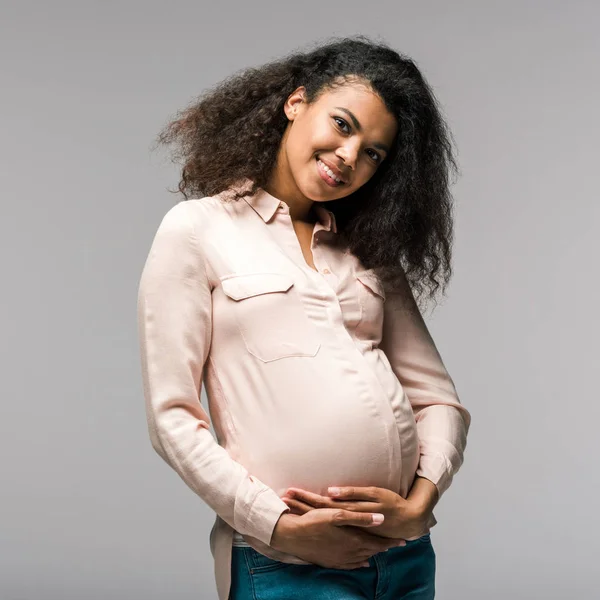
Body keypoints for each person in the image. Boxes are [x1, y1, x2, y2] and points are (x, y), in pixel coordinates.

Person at [137, 34, 472, 600]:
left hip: (404, 559)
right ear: (296, 103)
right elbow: (172, 420)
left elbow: (440, 400)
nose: (350, 156)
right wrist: (278, 526)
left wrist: (420, 504)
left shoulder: (367, 247)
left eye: (373, 153)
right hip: (289, 566)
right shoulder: (196, 230)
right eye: (342, 125)